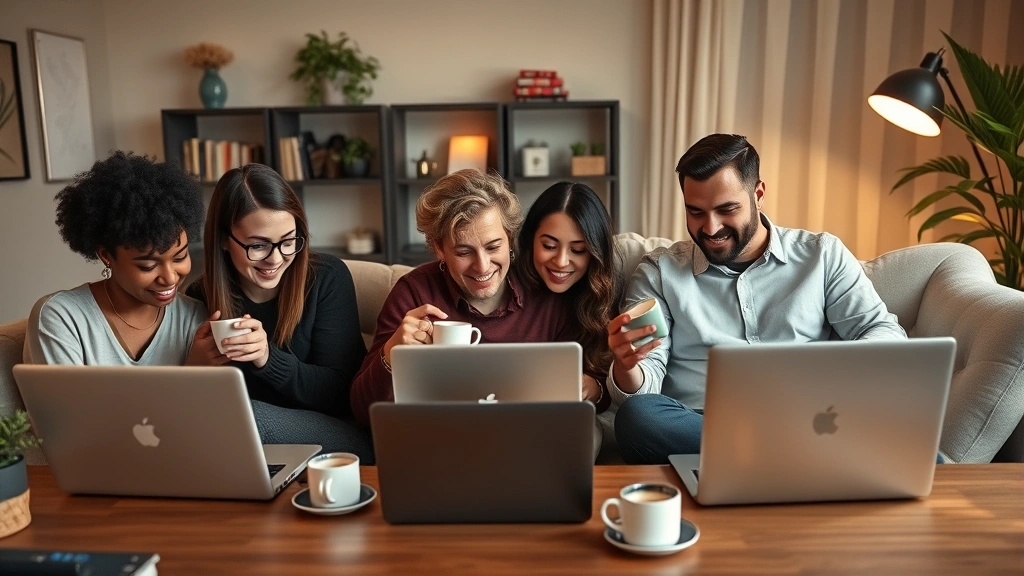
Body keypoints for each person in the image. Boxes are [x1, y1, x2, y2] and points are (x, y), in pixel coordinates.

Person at [609, 134, 907, 464]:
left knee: (926, 456)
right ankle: (792, 456)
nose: (711, 227)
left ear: (758, 194)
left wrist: (829, 373)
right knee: (639, 417)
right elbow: (644, 386)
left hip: (805, 421)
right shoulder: (658, 273)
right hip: (702, 429)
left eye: (727, 209)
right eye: (696, 212)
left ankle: (769, 455)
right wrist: (627, 367)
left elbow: (886, 336)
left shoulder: (822, 257)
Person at [350, 169, 577, 426]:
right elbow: (362, 412)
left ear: (510, 238)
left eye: (493, 247)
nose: (482, 266)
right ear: (439, 248)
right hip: (442, 437)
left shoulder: (546, 291)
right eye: (463, 252)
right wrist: (391, 354)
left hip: (527, 432)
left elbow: (590, 387)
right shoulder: (414, 292)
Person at [185, 163, 371, 460]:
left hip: (340, 430)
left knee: (246, 418)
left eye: (288, 242)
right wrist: (194, 368)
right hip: (244, 447)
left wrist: (268, 359)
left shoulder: (326, 278)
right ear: (223, 239)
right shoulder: (200, 295)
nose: (276, 259)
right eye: (258, 246)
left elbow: (341, 392)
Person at [26, 151, 215, 366]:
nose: (170, 278)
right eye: (148, 266)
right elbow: (67, 401)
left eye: (179, 257)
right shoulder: (63, 317)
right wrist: (191, 372)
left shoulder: (194, 317)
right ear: (106, 255)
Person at [515, 182, 621, 410]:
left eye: (578, 250)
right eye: (549, 246)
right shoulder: (507, 285)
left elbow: (607, 387)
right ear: (531, 239)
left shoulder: (598, 297)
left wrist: (591, 387)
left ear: (595, 252)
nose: (561, 261)